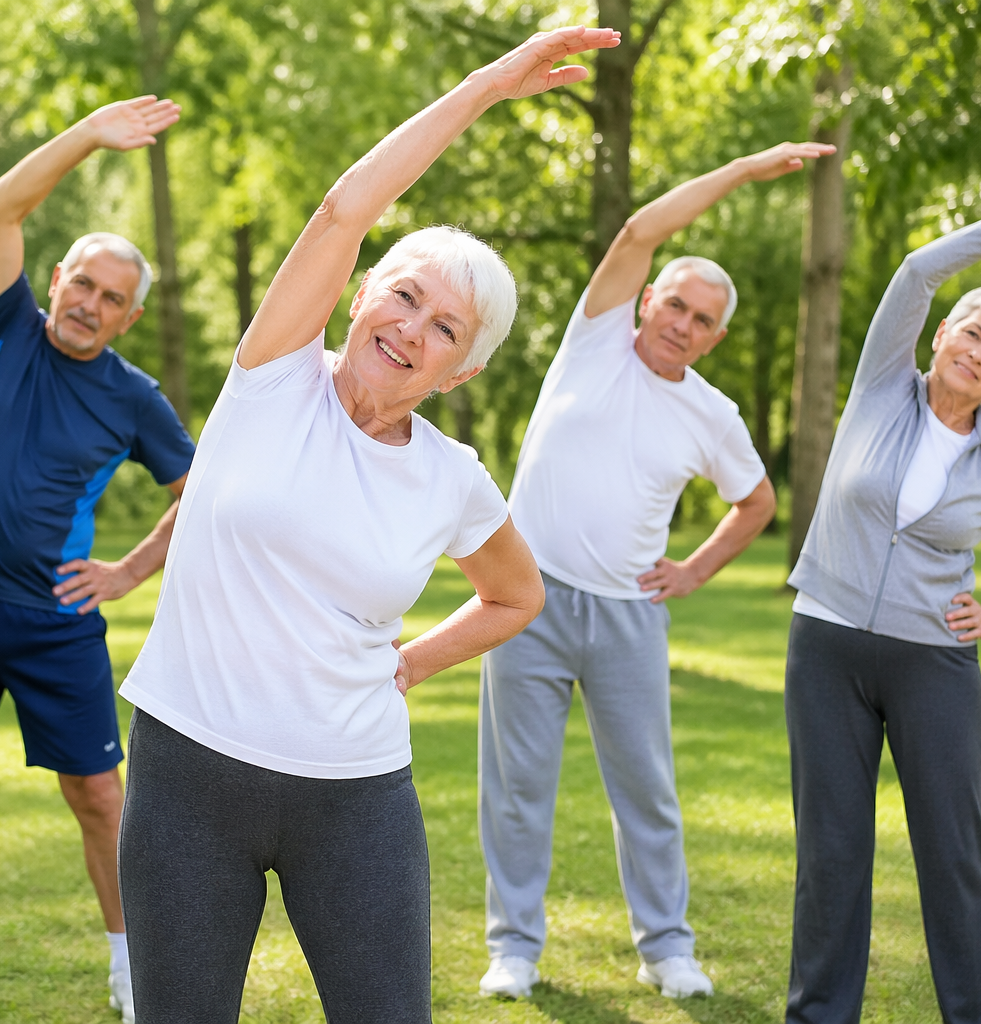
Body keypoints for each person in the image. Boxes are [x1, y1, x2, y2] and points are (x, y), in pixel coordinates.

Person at [114, 27, 625, 1024]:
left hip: (355, 794)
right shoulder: (271, 379)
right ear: (355, 297)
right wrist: (484, 88)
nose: (413, 329)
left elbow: (517, 594)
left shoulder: (453, 478)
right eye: (404, 295)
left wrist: (416, 661)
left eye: (447, 330)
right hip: (189, 776)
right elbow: (347, 206)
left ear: (461, 371)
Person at [477, 142, 836, 1001]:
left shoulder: (712, 413)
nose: (683, 323)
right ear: (647, 301)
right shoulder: (593, 340)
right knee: (518, 788)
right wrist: (743, 171)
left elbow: (756, 503)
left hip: (627, 620)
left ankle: (668, 947)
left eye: (703, 319)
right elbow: (641, 226)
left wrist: (697, 570)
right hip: (523, 602)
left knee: (647, 791)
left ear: (716, 336)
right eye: (675, 303)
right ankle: (514, 949)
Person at [0, 96, 195, 1024]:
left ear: (129, 318)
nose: (89, 305)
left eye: (112, 299)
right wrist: (90, 135)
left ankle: (129, 965)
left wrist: (129, 571)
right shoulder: (4, 326)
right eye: (82, 285)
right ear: (56, 278)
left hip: (53, 623)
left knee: (100, 797)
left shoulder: (134, 400)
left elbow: (202, 495)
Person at [782, 203, 981, 1024]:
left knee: (954, 858)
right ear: (940, 334)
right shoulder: (880, 387)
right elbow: (919, 268)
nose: (977, 354)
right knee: (831, 855)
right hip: (827, 648)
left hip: (935, 667)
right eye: (971, 333)